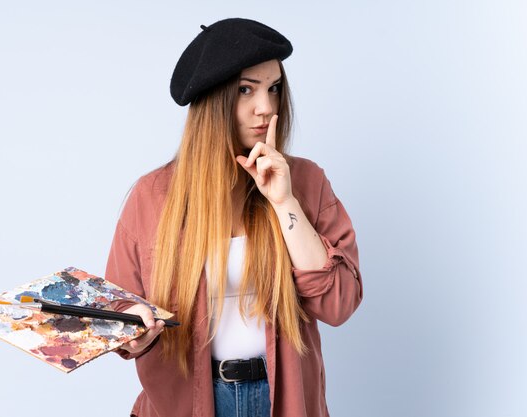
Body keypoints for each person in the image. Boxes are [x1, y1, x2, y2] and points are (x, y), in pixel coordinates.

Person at [105, 18, 363, 417]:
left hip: (283, 401)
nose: (266, 108)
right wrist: (133, 332)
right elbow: (118, 308)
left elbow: (339, 303)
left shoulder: (306, 182)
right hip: (185, 404)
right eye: (246, 90)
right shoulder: (151, 197)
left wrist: (284, 201)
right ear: (213, 100)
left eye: (274, 88)